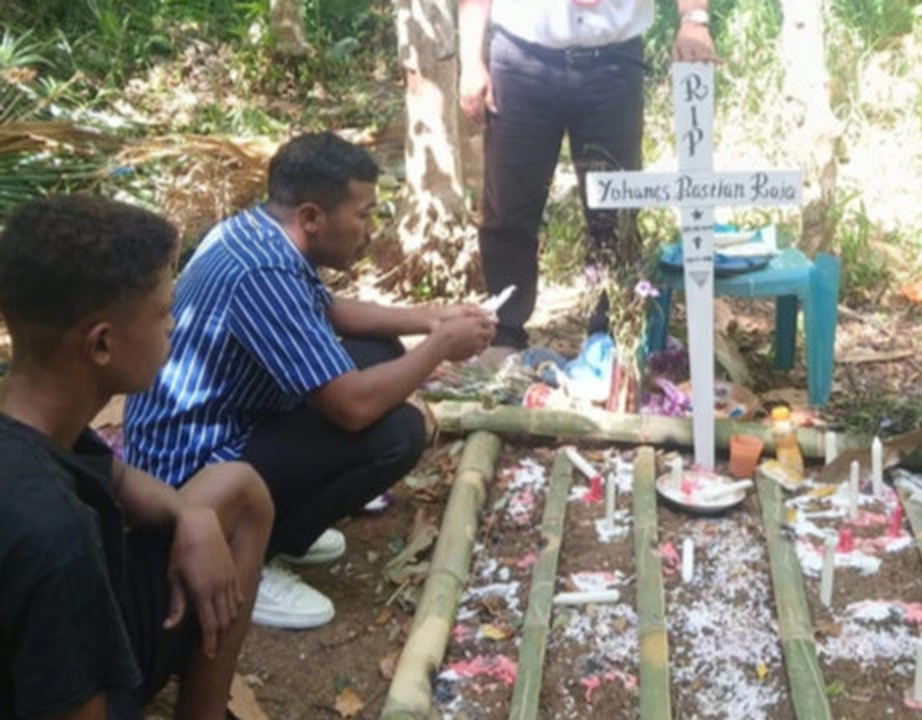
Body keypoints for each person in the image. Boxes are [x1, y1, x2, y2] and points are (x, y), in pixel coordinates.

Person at [125, 132, 495, 630]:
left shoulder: (258, 231)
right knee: (396, 432)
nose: (369, 229)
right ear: (312, 217)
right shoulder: (264, 273)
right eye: (363, 214)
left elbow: (330, 312)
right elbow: (352, 408)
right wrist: (440, 348)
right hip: (191, 473)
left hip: (222, 423)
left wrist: (431, 318)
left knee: (377, 353)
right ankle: (253, 554)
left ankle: (274, 520)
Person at [0, 195, 273, 719]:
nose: (173, 327)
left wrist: (188, 514)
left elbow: (116, 476)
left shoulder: (35, 420)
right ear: (101, 345)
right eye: (164, 313)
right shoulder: (58, 538)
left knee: (237, 488)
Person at [458, 0, 717, 361]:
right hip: (521, 60)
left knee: (615, 212)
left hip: (613, 64)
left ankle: (611, 333)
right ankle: (504, 333)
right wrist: (471, 60)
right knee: (508, 207)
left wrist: (694, 20)